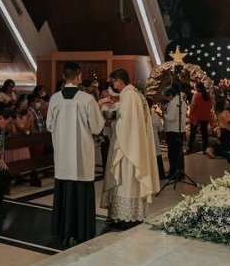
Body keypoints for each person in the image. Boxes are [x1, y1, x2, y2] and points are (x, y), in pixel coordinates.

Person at [47, 62, 105, 248]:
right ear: (79, 77)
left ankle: (63, 232)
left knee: (64, 192)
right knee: (81, 192)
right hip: (81, 156)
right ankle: (81, 232)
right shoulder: (87, 100)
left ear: (65, 77)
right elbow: (97, 127)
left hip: (63, 157)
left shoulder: (55, 99)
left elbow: (49, 125)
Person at [100, 69, 159, 227]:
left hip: (127, 148)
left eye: (114, 82)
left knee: (125, 179)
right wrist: (116, 106)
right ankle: (130, 214)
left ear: (119, 80)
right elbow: (130, 115)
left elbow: (126, 123)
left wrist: (112, 123)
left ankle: (126, 217)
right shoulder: (134, 94)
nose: (114, 86)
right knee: (128, 179)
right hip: (133, 145)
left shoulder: (129, 95)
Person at [162, 83, 188, 176]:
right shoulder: (183, 101)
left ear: (171, 95)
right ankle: (180, 172)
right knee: (179, 153)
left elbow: (171, 117)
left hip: (173, 131)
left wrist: (164, 114)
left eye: (167, 97)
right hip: (180, 130)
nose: (167, 99)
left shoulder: (173, 103)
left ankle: (173, 172)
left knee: (172, 153)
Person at [187, 83, 213, 154]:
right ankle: (205, 149)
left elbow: (192, 105)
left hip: (196, 116)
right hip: (205, 117)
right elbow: (211, 106)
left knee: (193, 133)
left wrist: (190, 114)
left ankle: (190, 149)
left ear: (198, 88)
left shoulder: (196, 95)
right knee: (204, 134)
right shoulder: (208, 96)